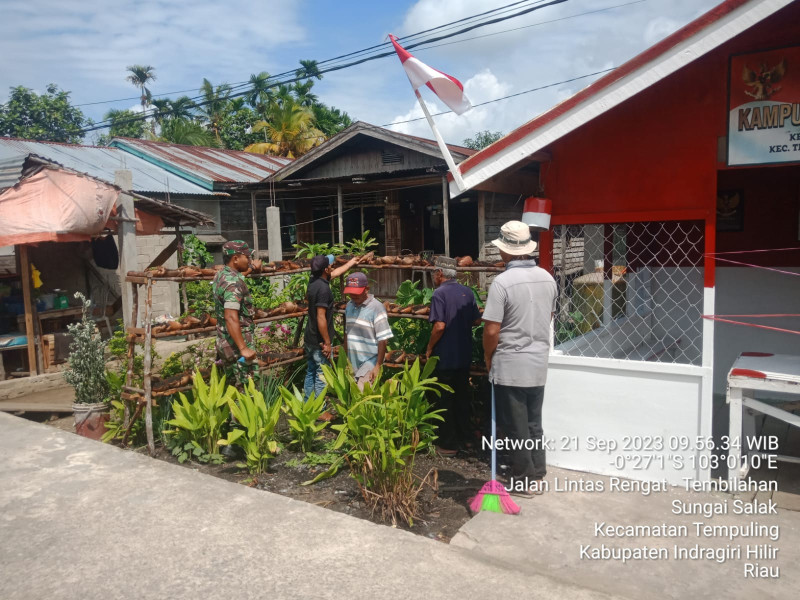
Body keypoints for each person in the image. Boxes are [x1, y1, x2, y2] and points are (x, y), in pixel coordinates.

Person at [482, 220, 557, 496]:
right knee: (534, 422)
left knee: (516, 426)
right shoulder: (547, 278)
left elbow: (492, 329)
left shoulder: (502, 283)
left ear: (505, 250)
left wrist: (488, 356)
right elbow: (549, 316)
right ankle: (537, 474)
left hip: (511, 364)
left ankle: (524, 480)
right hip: (538, 363)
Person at [425, 256, 481, 455]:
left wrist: (429, 348)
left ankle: (448, 444)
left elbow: (439, 326)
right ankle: (467, 440)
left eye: (434, 273)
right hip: (464, 354)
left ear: (440, 273)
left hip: (446, 356)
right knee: (462, 397)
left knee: (445, 400)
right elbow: (477, 320)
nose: (433, 276)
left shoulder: (439, 294)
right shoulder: (467, 292)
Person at [303, 252, 369, 400]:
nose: (332, 267)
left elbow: (335, 273)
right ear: (326, 269)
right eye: (330, 265)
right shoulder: (324, 289)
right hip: (320, 340)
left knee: (311, 370)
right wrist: (327, 342)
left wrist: (351, 263)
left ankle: (308, 404)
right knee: (322, 374)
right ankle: (319, 407)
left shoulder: (313, 282)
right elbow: (321, 317)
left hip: (310, 337)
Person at [212, 240, 261, 389]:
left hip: (225, 340)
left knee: (232, 387)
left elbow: (237, 278)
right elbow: (230, 316)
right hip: (237, 345)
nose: (249, 260)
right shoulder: (233, 283)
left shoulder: (221, 275)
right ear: (235, 258)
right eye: (247, 257)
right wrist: (243, 348)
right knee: (247, 389)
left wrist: (251, 268)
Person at [343, 272, 393, 389]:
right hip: (353, 362)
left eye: (357, 293)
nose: (353, 296)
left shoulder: (377, 308)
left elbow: (383, 340)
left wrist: (378, 366)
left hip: (370, 361)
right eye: (351, 292)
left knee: (362, 392)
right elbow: (347, 334)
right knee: (353, 394)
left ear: (367, 289)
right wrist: (346, 359)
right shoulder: (349, 306)